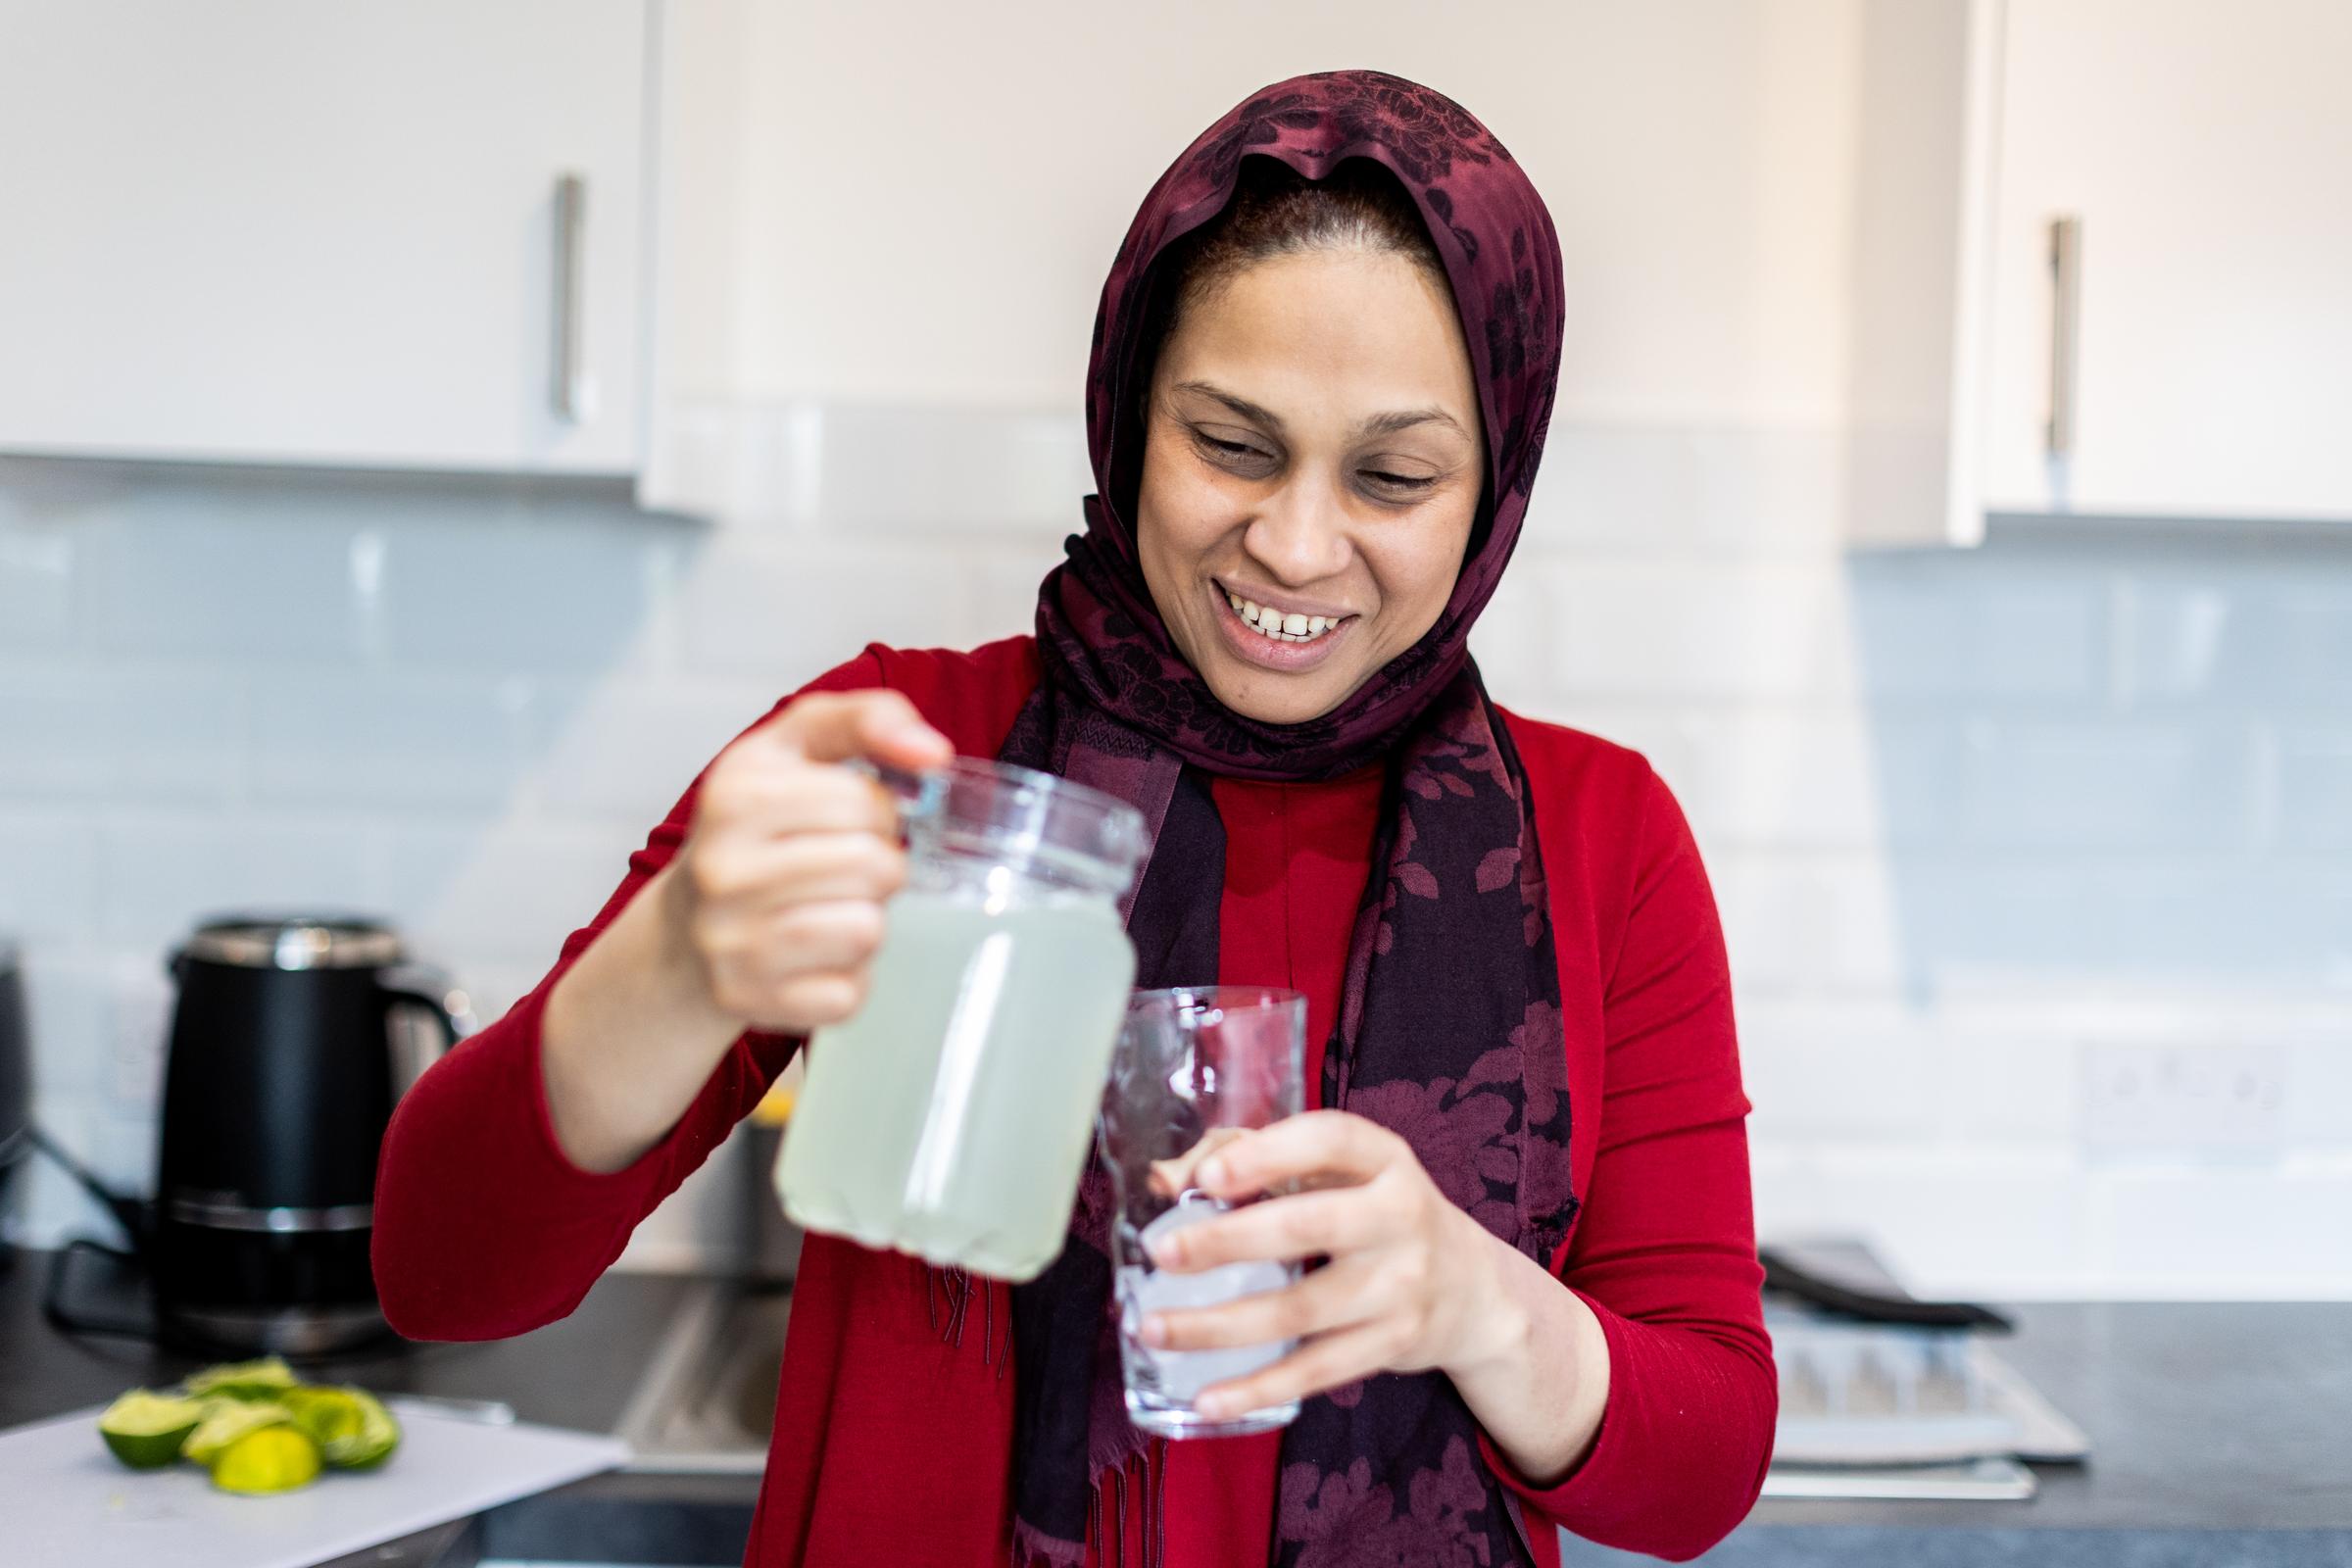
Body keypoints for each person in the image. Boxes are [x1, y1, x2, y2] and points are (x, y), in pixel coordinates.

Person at [373, 70, 1775, 1568]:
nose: (1296, 545)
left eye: (1394, 475)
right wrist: (670, 964)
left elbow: (1701, 1471)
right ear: (1128, 412)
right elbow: (444, 1276)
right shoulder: (914, 754)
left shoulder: (1600, 837)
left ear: (1494, 485)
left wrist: (1471, 1297)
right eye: (1231, 444)